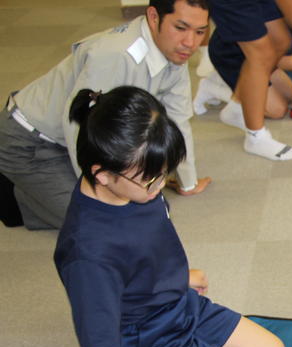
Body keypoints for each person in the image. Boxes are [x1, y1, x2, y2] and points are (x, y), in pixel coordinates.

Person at [54, 86, 285, 347]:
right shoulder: (88, 255)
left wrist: (178, 277)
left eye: (164, 173)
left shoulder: (130, 183)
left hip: (176, 303)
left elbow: (146, 243)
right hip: (147, 346)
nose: (161, 185)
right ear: (102, 174)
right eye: (151, 179)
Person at [0, 0, 214, 231]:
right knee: (108, 226)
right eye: (180, 28)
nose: (190, 42)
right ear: (154, 17)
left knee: (148, 210)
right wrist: (102, 196)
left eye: (200, 32)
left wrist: (188, 182)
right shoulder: (115, 56)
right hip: (29, 143)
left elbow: (177, 121)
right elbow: (79, 129)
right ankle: (18, 194)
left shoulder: (174, 51)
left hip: (71, 141)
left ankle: (41, 190)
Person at [208, 0, 292, 161]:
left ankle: (237, 106)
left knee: (281, 41)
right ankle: (255, 137)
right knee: (262, 55)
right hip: (229, 46)